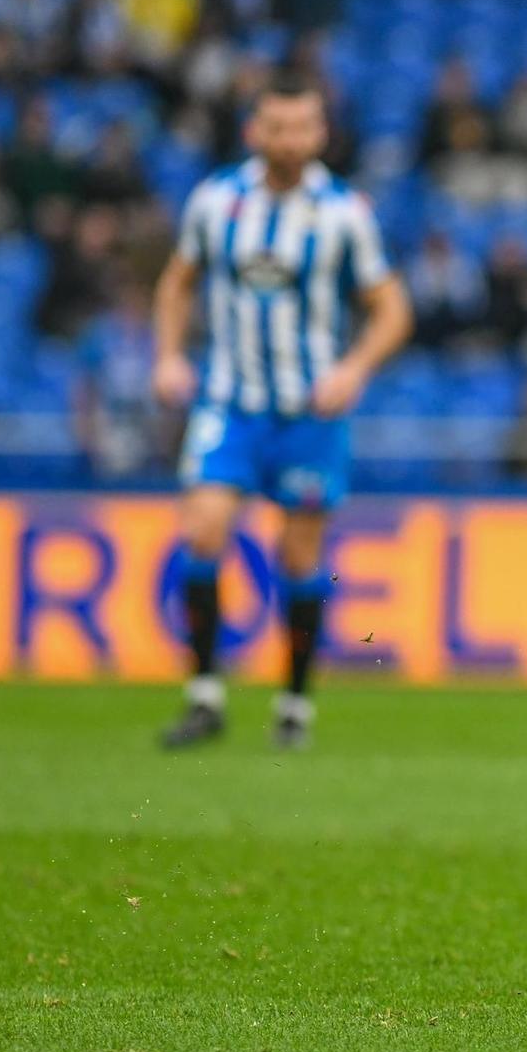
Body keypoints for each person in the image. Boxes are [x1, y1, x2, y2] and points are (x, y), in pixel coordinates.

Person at [150, 72, 413, 751]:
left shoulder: (343, 213)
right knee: (203, 530)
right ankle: (205, 694)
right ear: (254, 131)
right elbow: (177, 282)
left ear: (320, 133)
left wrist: (353, 368)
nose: (291, 139)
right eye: (278, 126)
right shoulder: (216, 201)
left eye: (304, 126)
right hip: (230, 402)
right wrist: (170, 355)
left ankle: (294, 703)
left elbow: (392, 309)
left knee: (298, 555)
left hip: (308, 413)